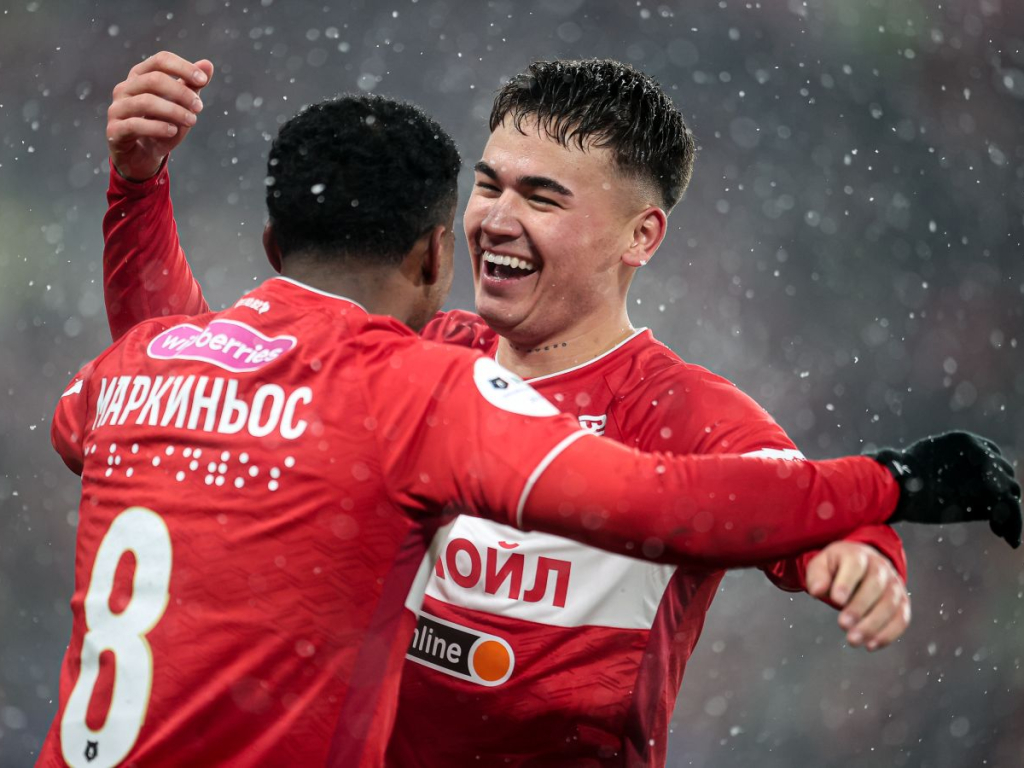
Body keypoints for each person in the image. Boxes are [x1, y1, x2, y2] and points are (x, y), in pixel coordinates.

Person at [94, 53, 1021, 766]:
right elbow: (192, 386)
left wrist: (862, 554)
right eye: (490, 184)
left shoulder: (682, 410)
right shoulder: (410, 359)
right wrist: (139, 187)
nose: (498, 219)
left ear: (640, 236)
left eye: (541, 197)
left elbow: (793, 505)